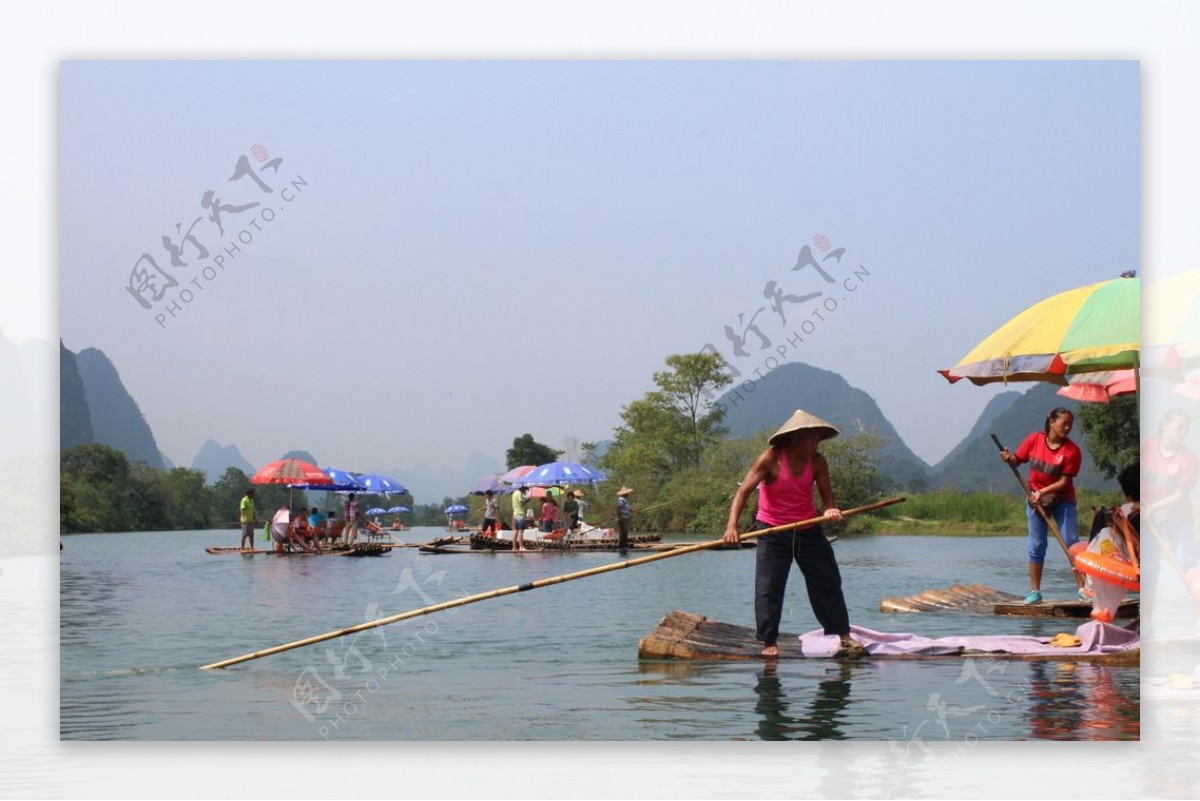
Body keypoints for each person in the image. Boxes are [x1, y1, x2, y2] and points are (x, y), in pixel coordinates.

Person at [722, 409, 864, 659]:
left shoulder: (818, 462)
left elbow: (827, 494)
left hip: (808, 529)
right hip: (772, 530)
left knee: (828, 579)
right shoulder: (770, 459)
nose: (817, 444)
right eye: (813, 439)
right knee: (769, 588)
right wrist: (731, 526)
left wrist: (831, 508)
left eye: (819, 439)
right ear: (796, 438)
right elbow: (742, 492)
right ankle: (768, 640)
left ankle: (843, 634)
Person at [999, 407, 1083, 604]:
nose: (1068, 427)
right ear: (1052, 422)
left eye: (1071, 424)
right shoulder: (1034, 440)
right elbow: (1016, 461)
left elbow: (1065, 482)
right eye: (1064, 423)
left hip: (1062, 500)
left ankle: (1083, 589)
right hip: (1035, 501)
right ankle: (1035, 591)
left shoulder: (1071, 451)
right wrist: (1008, 458)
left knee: (1071, 542)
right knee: (1036, 545)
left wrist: (1043, 492)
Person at [1142, 408, 1198, 620]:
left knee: (1188, 566)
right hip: (1149, 517)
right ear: (1165, 425)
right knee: (1149, 569)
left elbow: (1180, 496)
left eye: (1187, 428)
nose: (1183, 432)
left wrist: (1155, 508)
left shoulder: (1188, 459)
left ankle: (1198, 620)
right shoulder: (1146, 446)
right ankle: (1146, 622)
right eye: (1179, 427)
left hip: (1177, 517)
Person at [511, 487, 529, 551]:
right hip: (520, 514)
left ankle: (514, 547)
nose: (525, 492)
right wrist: (527, 500)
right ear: (523, 489)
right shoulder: (519, 493)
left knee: (516, 531)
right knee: (521, 531)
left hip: (515, 514)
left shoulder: (514, 493)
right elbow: (521, 503)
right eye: (525, 490)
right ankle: (521, 547)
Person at [616, 487, 633, 553]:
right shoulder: (621, 499)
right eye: (627, 493)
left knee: (625, 532)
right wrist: (620, 516)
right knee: (623, 532)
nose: (628, 494)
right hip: (623, 518)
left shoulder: (624, 499)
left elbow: (627, 509)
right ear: (625, 494)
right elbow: (619, 507)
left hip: (626, 517)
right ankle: (622, 547)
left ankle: (624, 546)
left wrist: (635, 511)